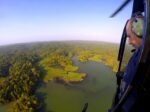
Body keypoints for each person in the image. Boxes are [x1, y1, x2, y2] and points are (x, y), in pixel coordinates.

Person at [109, 13, 144, 112]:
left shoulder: (144, 57)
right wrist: (124, 74)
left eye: (129, 36)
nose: (128, 42)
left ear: (140, 31)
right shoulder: (139, 53)